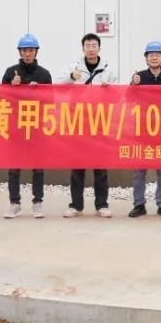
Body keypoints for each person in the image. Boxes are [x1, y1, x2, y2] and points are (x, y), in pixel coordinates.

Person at [56, 33, 118, 218]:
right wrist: (71, 77)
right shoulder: (74, 67)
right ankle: (76, 205)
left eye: (94, 45)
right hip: (79, 122)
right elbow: (58, 86)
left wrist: (109, 89)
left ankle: (102, 205)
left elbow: (118, 95)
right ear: (83, 48)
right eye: (87, 46)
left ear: (99, 48)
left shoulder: (108, 70)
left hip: (100, 122)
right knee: (77, 165)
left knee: (100, 166)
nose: (91, 49)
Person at [2, 33, 53, 219]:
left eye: (31, 50)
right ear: (19, 52)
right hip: (16, 127)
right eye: (24, 50)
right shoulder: (11, 72)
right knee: (14, 167)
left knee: (38, 167)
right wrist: (12, 86)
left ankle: (37, 202)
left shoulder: (44, 74)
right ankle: (14, 203)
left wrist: (39, 92)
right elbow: (1, 98)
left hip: (37, 127)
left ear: (36, 51)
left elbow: (50, 101)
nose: (27, 53)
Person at [129, 41, 161, 218]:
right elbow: (128, 98)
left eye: (157, 54)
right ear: (146, 58)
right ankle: (139, 204)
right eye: (151, 55)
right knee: (139, 170)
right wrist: (133, 84)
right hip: (142, 130)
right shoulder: (139, 77)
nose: (154, 57)